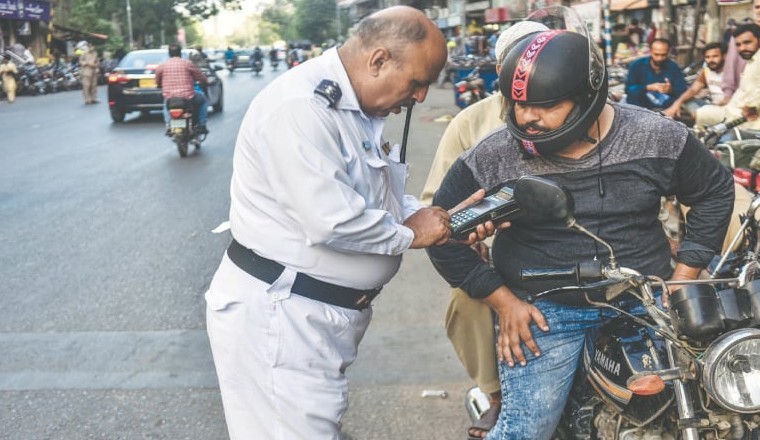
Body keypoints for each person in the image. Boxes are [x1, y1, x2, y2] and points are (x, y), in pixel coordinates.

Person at [426, 19, 733, 440]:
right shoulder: (493, 155)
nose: (526, 118)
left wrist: (684, 278)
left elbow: (715, 190)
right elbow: (440, 231)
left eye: (544, 105)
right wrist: (503, 302)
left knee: (716, 403)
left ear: (587, 96)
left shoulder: (657, 136)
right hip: (544, 310)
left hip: (646, 299)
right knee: (525, 431)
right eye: (517, 104)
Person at [205, 7, 500, 439]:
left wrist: (434, 217)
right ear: (378, 60)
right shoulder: (301, 109)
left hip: (315, 319)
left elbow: (375, 193)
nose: (420, 98)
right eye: (417, 82)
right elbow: (331, 221)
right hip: (283, 320)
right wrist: (412, 233)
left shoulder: (353, 107)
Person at [420, 19, 549, 440]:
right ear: (502, 70)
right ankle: (496, 396)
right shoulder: (471, 124)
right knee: (471, 300)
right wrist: (470, 237)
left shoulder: (587, 112)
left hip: (571, 244)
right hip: (498, 250)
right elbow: (434, 207)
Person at [696, 23, 760, 131]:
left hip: (754, 121)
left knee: (701, 120)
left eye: (747, 42)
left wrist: (751, 106)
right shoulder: (754, 59)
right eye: (738, 45)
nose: (742, 48)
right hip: (736, 112)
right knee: (701, 114)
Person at [721, 0, 760, 101]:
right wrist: (728, 93)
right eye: (758, 7)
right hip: (747, 91)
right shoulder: (742, 31)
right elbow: (731, 64)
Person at [663, 42, 726, 122]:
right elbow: (693, 90)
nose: (711, 60)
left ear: (724, 56)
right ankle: (700, 118)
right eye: (707, 57)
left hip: (727, 109)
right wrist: (676, 104)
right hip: (713, 106)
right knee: (683, 99)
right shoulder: (707, 71)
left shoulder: (732, 72)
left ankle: (701, 118)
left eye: (715, 56)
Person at [155, 43, 209, 134]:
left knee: (165, 104)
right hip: (188, 97)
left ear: (169, 54)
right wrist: (205, 81)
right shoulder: (187, 64)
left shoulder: (162, 66)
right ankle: (202, 124)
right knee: (203, 100)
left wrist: (160, 85)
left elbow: (157, 80)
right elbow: (200, 76)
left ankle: (168, 124)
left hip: (170, 98)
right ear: (180, 53)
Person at [625, 38, 687, 109]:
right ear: (650, 51)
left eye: (663, 55)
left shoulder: (673, 67)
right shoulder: (637, 65)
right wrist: (648, 87)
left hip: (666, 108)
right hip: (641, 107)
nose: (659, 58)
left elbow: (682, 90)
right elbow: (628, 89)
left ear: (668, 52)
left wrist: (670, 90)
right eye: (656, 54)